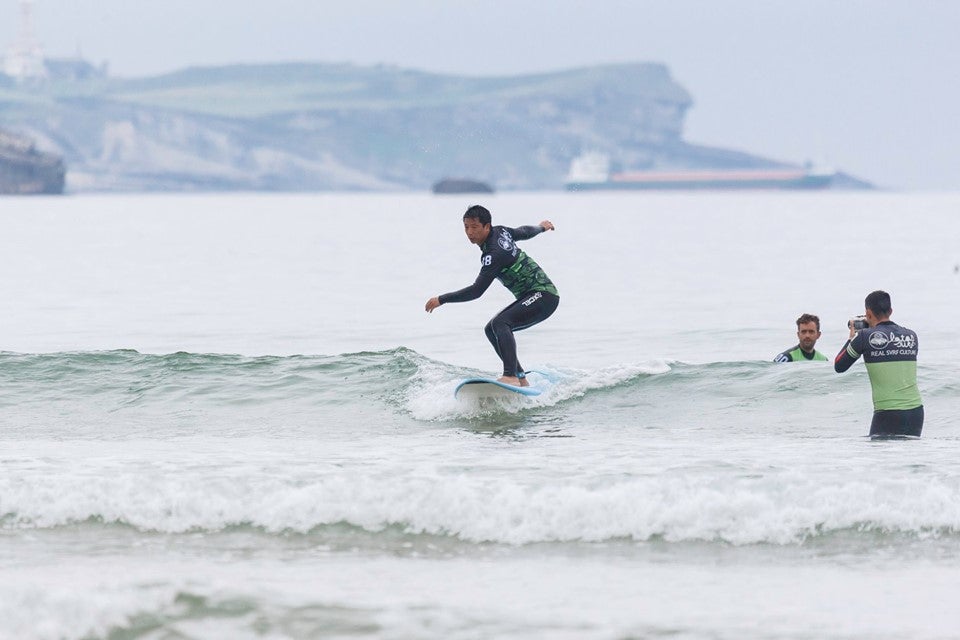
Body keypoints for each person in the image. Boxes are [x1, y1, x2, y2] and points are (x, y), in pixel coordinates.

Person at [425, 204, 559, 387]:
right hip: (534, 296)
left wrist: (442, 299)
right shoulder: (501, 232)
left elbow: (476, 291)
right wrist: (541, 227)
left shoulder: (494, 254)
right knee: (491, 330)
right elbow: (523, 232)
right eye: (466, 227)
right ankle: (521, 378)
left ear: (487, 226)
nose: (469, 232)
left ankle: (510, 375)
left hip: (544, 295)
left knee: (501, 323)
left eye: (474, 227)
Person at [833, 290, 924, 437]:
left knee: (880, 458)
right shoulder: (911, 335)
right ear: (891, 311)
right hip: (916, 412)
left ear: (868, 313)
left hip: (888, 412)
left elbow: (839, 365)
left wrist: (852, 338)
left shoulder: (863, 337)